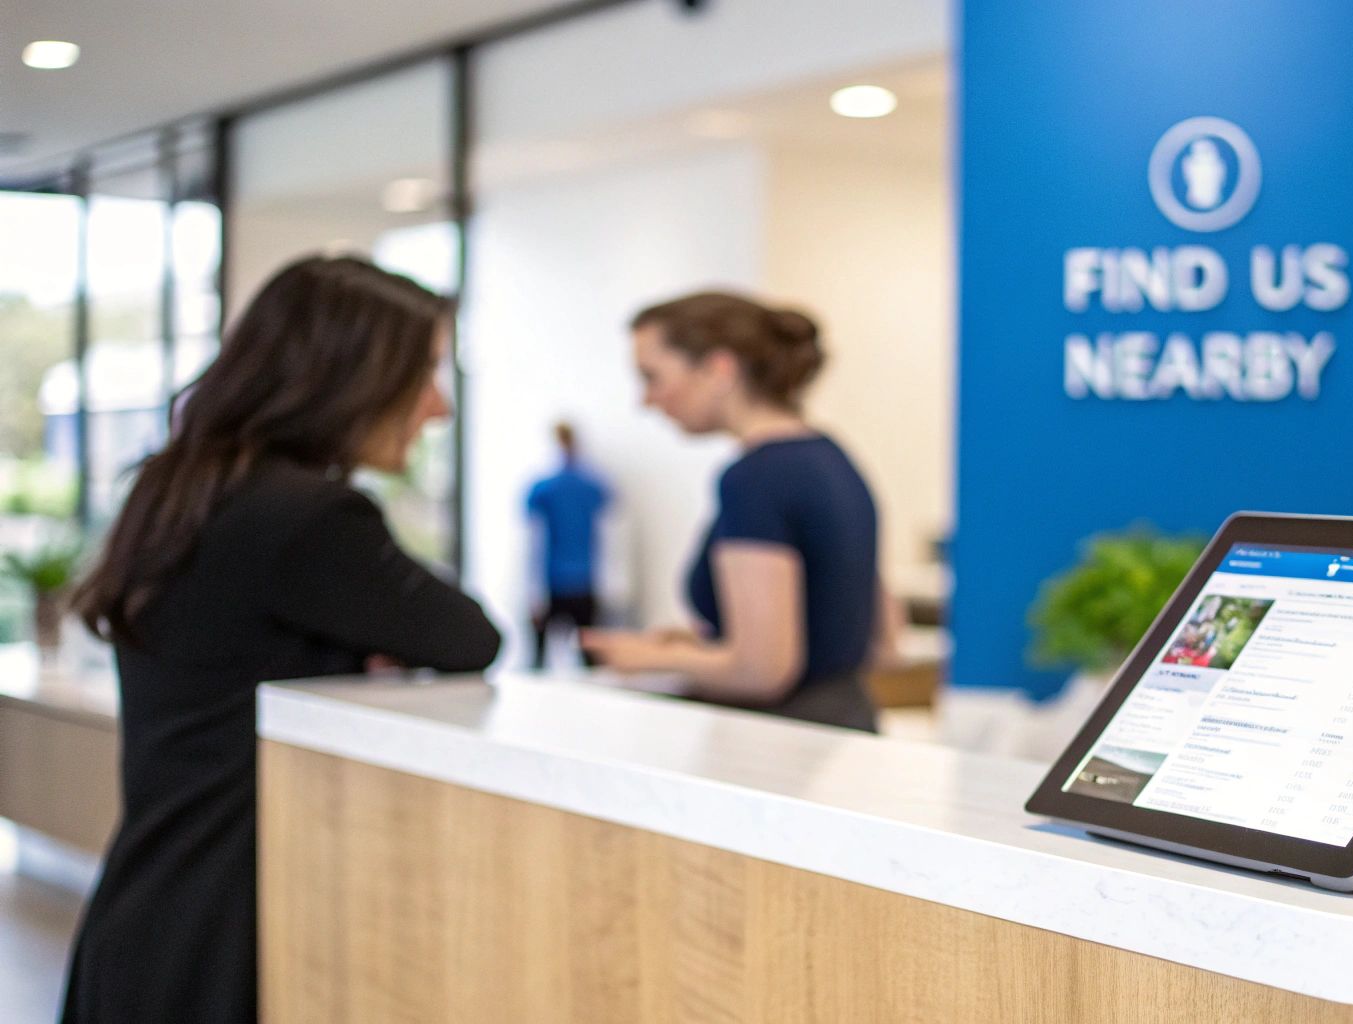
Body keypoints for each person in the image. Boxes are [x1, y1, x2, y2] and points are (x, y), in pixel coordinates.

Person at [61, 256, 501, 1023]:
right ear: (349, 376)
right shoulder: (309, 518)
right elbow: (469, 636)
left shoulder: (185, 485)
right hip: (222, 926)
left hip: (156, 901)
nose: (437, 407)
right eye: (425, 373)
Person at [583, 291, 893, 731]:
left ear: (719, 370)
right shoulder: (831, 457)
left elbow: (763, 671)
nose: (646, 400)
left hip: (786, 745)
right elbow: (881, 638)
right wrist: (708, 643)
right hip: (846, 725)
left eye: (653, 377)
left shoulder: (755, 479)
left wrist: (653, 657)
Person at [526, 421, 612, 668]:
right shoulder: (593, 486)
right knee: (590, 662)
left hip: (556, 583)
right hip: (583, 583)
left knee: (540, 662)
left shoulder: (543, 489)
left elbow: (533, 542)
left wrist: (532, 591)